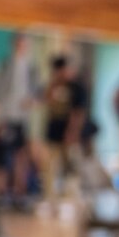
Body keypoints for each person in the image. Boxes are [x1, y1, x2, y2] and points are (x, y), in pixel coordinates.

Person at [0, 34, 38, 207]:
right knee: (4, 158)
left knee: (21, 156)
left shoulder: (31, 68)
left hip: (22, 119)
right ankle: (3, 192)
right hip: (7, 117)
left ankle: (18, 192)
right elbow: (1, 92)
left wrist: (32, 101)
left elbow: (36, 94)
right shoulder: (7, 64)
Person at [43, 54, 89, 196]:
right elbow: (48, 102)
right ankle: (51, 195)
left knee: (71, 167)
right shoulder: (54, 85)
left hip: (70, 134)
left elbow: (78, 113)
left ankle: (71, 196)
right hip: (54, 132)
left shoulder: (78, 87)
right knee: (51, 167)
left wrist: (72, 132)